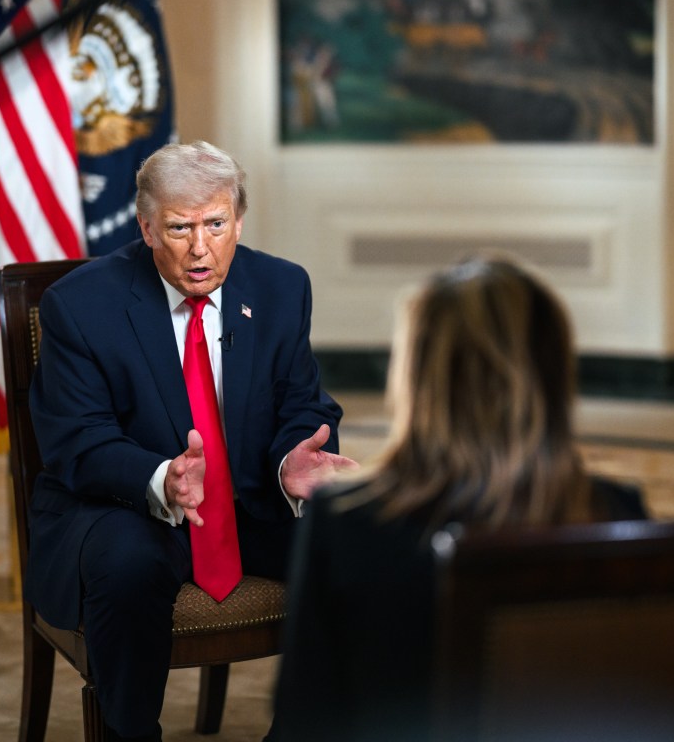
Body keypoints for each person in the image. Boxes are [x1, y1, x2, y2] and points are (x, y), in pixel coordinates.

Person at [26, 140, 357, 741]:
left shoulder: (281, 287)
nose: (200, 248)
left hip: (251, 498)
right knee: (125, 567)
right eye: (180, 228)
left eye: (215, 224)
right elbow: (76, 440)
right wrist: (161, 478)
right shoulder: (79, 305)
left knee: (360, 546)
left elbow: (301, 403)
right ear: (147, 228)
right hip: (128, 505)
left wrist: (289, 462)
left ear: (238, 220)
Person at [270, 251, 648, 741]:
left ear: (416, 377)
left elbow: (307, 722)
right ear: (553, 376)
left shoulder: (347, 524)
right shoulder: (616, 512)